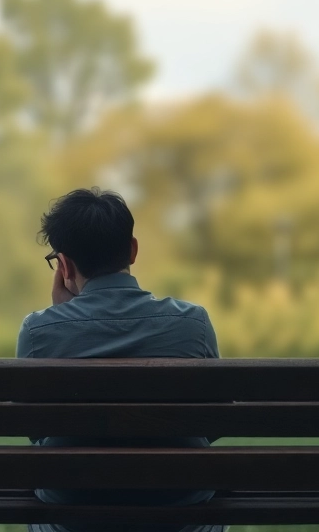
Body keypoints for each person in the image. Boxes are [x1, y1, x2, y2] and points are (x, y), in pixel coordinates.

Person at [17, 187, 225, 532]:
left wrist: (62, 319)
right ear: (132, 249)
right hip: (179, 511)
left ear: (64, 265)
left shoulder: (38, 332)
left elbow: (35, 430)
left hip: (75, 514)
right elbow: (213, 425)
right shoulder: (193, 324)